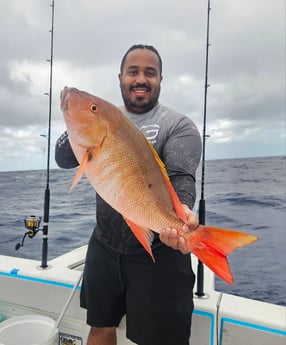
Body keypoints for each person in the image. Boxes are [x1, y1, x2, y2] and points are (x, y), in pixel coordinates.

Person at [55, 44, 202, 345]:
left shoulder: (179, 125)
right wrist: (74, 116)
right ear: (120, 77)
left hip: (160, 255)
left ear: (161, 79)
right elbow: (62, 158)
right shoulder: (107, 118)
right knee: (99, 327)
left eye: (150, 73)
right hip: (105, 246)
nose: (141, 79)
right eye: (133, 71)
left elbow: (181, 175)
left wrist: (182, 212)